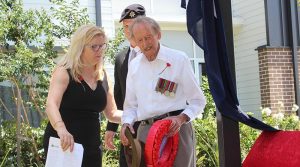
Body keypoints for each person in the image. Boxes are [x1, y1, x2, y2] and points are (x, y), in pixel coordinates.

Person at [120, 16, 206, 167]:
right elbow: (130, 107)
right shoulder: (134, 66)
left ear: (158, 34)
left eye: (148, 38)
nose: (145, 44)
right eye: (140, 40)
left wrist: (181, 119)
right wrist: (126, 124)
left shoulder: (179, 59)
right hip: (146, 134)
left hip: (177, 131)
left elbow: (198, 101)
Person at [43, 24, 122, 167]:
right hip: (64, 143)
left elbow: (112, 113)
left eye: (102, 46)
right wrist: (61, 129)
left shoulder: (103, 75)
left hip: (91, 147)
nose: (99, 51)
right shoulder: (64, 71)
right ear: (80, 47)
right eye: (94, 47)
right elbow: (51, 104)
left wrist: (138, 115)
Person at [104, 4, 146, 167]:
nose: (129, 30)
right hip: (128, 130)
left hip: (154, 128)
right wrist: (111, 127)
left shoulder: (157, 55)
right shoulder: (121, 58)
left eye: (133, 25)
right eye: (125, 26)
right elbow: (118, 95)